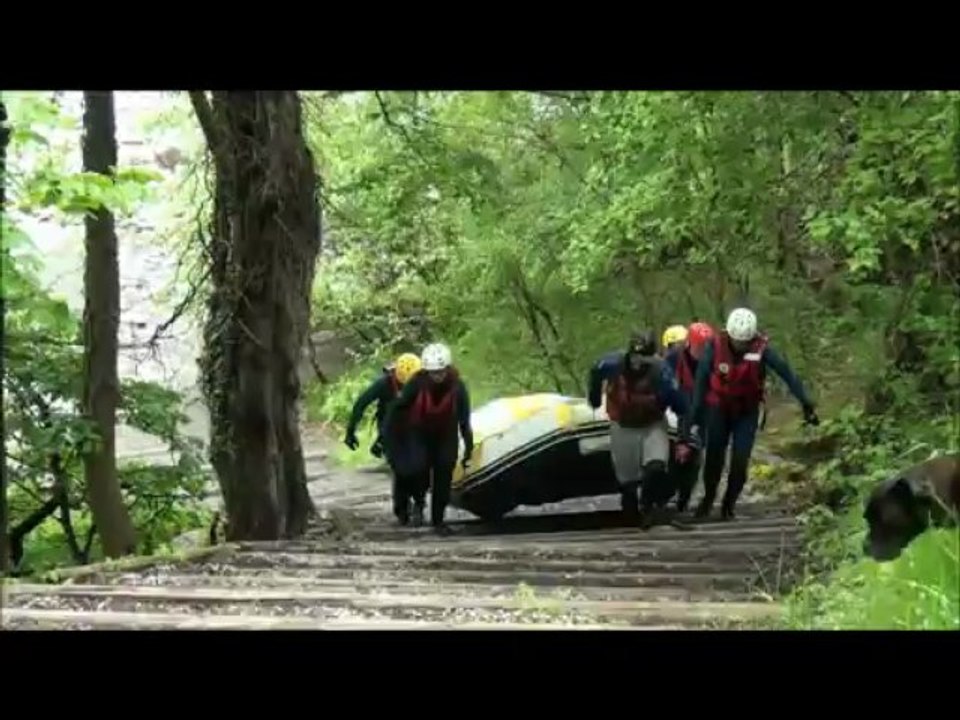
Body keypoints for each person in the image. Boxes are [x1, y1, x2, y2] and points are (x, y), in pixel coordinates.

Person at [687, 308, 819, 521]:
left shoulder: (761, 348)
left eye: (745, 342)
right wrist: (694, 418)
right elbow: (701, 384)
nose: (741, 346)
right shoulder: (714, 347)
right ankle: (708, 499)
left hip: (746, 411)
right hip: (719, 408)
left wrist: (806, 403)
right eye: (737, 341)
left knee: (740, 459)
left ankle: (729, 504)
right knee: (714, 457)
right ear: (729, 335)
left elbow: (787, 374)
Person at [588, 331, 693, 529]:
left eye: (644, 358)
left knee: (656, 466)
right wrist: (594, 397)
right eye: (635, 357)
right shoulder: (612, 364)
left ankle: (649, 506)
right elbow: (595, 371)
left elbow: (682, 407)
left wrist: (683, 439)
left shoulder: (662, 372)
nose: (639, 363)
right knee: (627, 481)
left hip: (652, 424)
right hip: (623, 425)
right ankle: (631, 509)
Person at [383, 342, 474, 535]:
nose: (437, 376)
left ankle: (438, 521)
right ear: (426, 371)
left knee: (443, 476)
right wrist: (390, 438)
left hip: (446, 435)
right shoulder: (417, 383)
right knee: (417, 470)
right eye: (433, 372)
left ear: (447, 368)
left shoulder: (458, 387)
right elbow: (397, 409)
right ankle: (418, 504)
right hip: (419, 434)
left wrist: (468, 447)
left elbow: (464, 420)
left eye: (441, 371)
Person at [344, 352, 424, 525]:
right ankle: (402, 508)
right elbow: (361, 403)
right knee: (400, 469)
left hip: (416, 429)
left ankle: (419, 504)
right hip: (390, 431)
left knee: (420, 467)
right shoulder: (384, 384)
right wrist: (350, 431)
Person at [662, 321, 714, 513]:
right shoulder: (670, 361)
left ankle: (683, 496)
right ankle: (670, 493)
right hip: (676, 411)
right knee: (675, 454)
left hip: (699, 410)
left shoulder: (710, 358)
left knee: (694, 452)